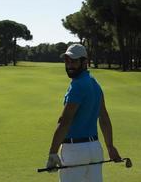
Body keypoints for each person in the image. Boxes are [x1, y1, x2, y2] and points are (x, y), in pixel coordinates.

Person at [46, 43, 122, 182]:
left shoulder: (78, 85)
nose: (69, 65)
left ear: (85, 62)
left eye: (74, 61)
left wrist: (53, 152)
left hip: (75, 151)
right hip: (95, 149)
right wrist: (110, 147)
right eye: (67, 61)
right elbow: (103, 118)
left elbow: (64, 121)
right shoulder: (95, 84)